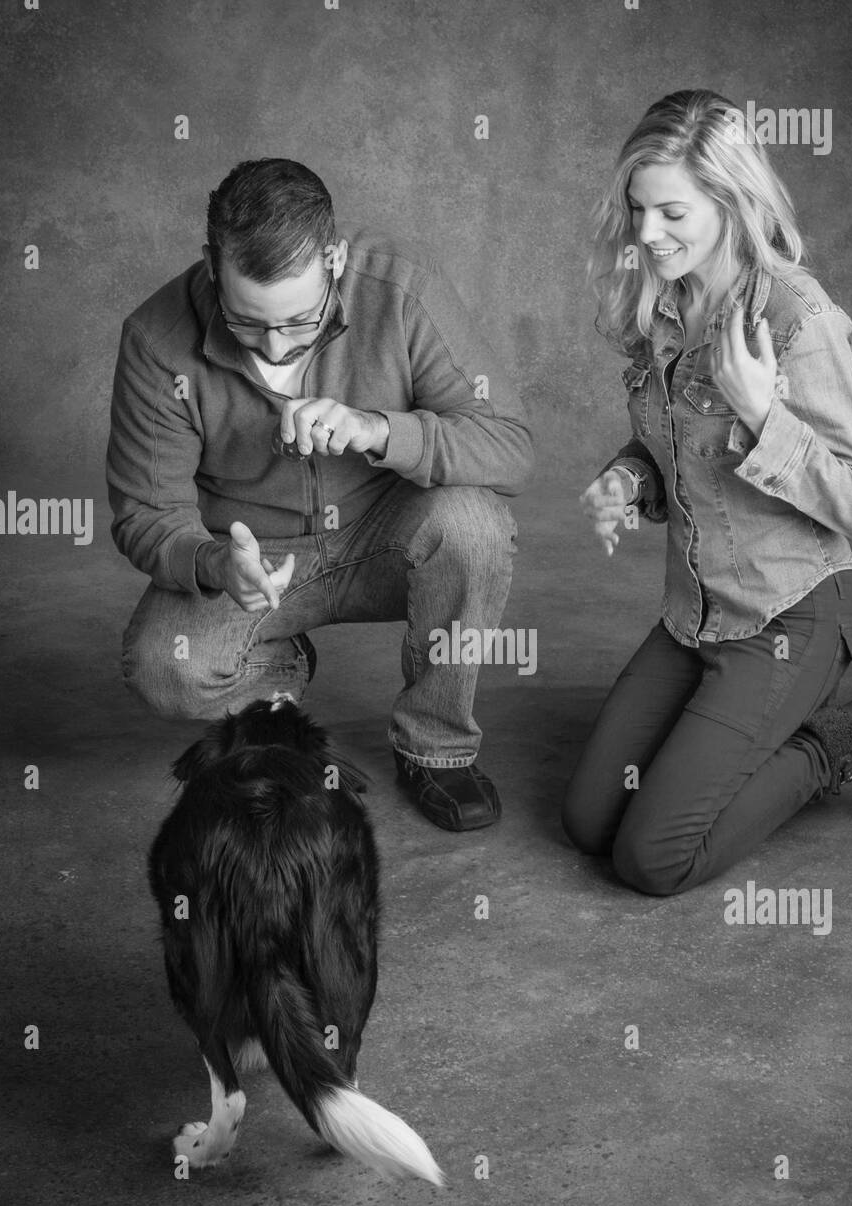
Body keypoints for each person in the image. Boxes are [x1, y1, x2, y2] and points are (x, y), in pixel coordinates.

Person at [562, 89, 852, 896]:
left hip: (786, 617)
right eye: (638, 210)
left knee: (650, 858)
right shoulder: (666, 303)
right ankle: (724, 732)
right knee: (588, 821)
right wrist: (626, 480)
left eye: (672, 212)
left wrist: (766, 410)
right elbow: (674, 447)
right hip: (694, 614)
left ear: (732, 204)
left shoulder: (798, 318)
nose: (647, 234)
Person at [107, 159, 535, 831]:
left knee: (475, 523)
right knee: (163, 667)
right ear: (211, 263)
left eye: (298, 321)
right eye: (246, 322)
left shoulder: (401, 291)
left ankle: (438, 748)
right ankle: (277, 672)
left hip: (388, 538)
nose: (275, 347)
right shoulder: (157, 342)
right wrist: (217, 564)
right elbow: (144, 514)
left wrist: (378, 429)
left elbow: (510, 448)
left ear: (333, 258)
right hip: (259, 562)